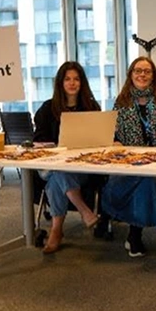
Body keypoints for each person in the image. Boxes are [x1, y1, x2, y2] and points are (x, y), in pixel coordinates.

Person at [101, 56, 156, 257]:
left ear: (154, 76)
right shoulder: (122, 100)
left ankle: (134, 233)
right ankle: (142, 228)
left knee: (148, 177)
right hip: (129, 160)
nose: (142, 74)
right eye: (137, 70)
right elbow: (112, 132)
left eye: (147, 71)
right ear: (131, 75)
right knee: (143, 177)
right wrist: (116, 141)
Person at [33, 61, 103, 254]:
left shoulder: (91, 107)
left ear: (82, 82)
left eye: (76, 79)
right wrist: (57, 148)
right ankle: (84, 210)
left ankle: (56, 230)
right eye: (67, 79)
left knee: (57, 179)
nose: (72, 83)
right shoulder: (47, 109)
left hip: (80, 167)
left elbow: (99, 139)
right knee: (58, 170)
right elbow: (38, 141)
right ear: (60, 83)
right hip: (51, 164)